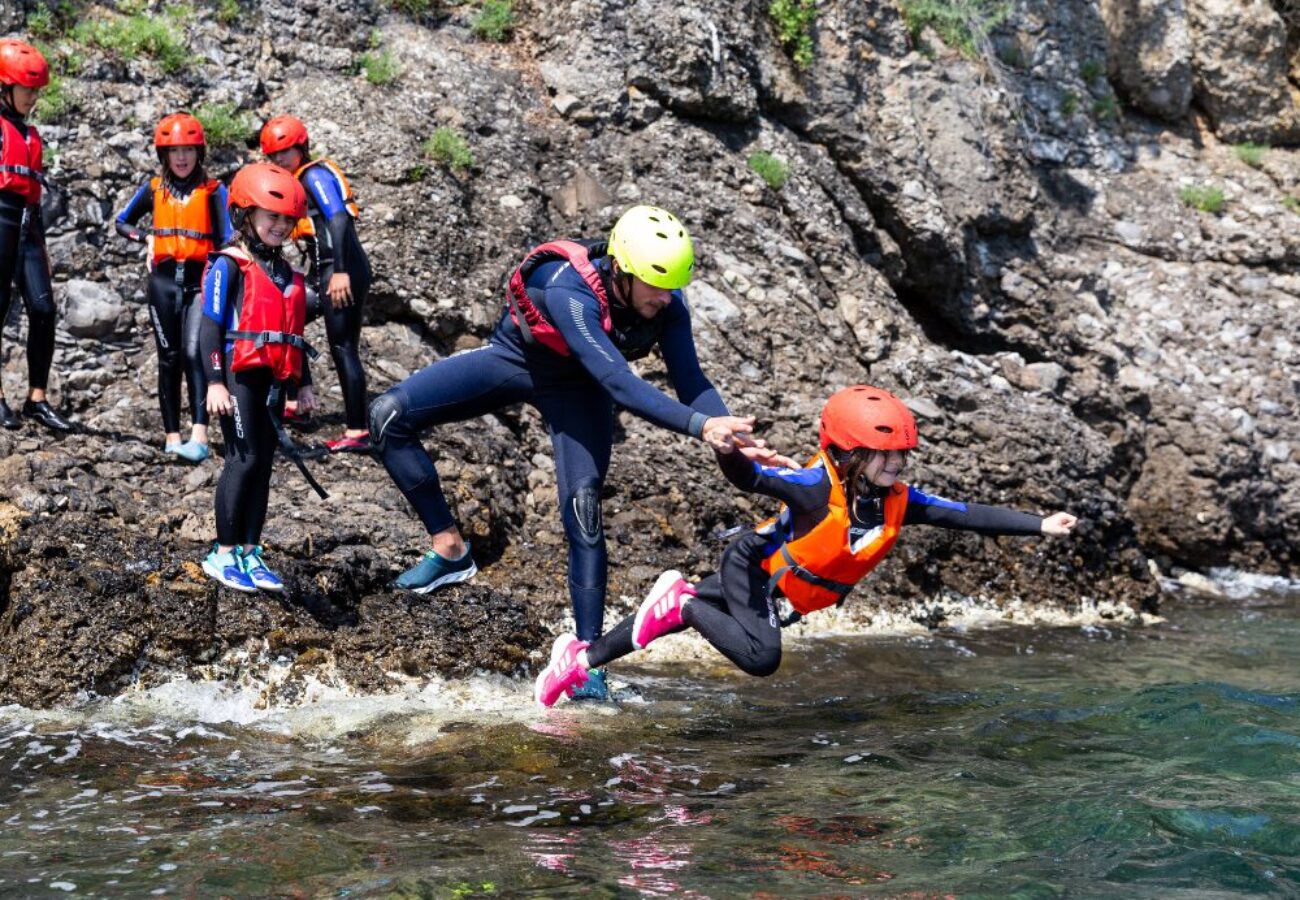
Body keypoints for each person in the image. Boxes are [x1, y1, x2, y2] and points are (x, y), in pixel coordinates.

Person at [370, 205, 764, 700]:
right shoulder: (567, 288)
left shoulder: (667, 304)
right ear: (620, 270)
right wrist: (700, 427)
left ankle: (588, 660)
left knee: (583, 509)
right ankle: (449, 549)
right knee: (387, 416)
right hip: (517, 362)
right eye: (655, 286)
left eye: (672, 287)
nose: (665, 298)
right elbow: (618, 382)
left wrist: (728, 432)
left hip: (579, 393)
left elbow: (692, 381)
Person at [534, 385, 1080, 707]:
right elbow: (752, 481)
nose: (893, 465)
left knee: (667, 623)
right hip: (753, 566)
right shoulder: (816, 487)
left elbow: (966, 515)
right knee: (760, 657)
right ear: (846, 453)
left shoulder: (899, 501)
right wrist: (727, 447)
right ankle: (680, 600)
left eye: (898, 456)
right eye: (879, 455)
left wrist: (1039, 525)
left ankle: (578, 664)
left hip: (775, 575)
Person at [196, 163, 317, 593]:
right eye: (272, 217)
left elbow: (294, 333)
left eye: (288, 219)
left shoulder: (284, 272)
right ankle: (222, 553)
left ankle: (249, 549)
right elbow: (209, 328)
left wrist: (303, 384)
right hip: (235, 375)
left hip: (271, 378)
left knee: (263, 465)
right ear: (245, 214)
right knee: (242, 459)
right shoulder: (231, 264)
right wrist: (213, 382)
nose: (281, 226)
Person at [115, 113, 232, 461]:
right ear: (163, 154)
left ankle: (199, 435)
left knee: (195, 351)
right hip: (163, 283)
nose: (181, 158)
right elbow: (122, 223)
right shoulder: (153, 189)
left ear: (199, 152)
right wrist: (145, 237)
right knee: (169, 358)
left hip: (200, 282)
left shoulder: (213, 191)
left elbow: (227, 238)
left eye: (188, 150)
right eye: (174, 151)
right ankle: (171, 436)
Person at [259, 115, 372, 453]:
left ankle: (358, 431)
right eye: (274, 155)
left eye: (286, 151)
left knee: (343, 347)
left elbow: (337, 217)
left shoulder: (314, 174)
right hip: (321, 272)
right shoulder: (296, 180)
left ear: (301, 147)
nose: (280, 160)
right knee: (285, 319)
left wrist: (340, 272)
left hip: (342, 270)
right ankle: (297, 400)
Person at [0, 39, 70, 432]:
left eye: (36, 90)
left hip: (28, 223)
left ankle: (36, 399)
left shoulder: (29, 134)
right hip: (0, 218)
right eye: (26, 89)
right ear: (4, 88)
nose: (32, 97)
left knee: (43, 308)